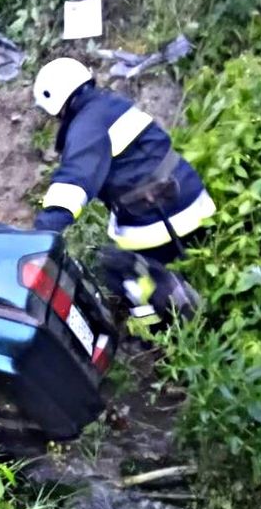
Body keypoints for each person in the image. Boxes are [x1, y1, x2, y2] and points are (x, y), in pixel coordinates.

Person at [32, 56, 215, 328]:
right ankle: (179, 293)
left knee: (113, 266)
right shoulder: (110, 105)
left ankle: (163, 322)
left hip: (163, 215)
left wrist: (41, 235)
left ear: (55, 102)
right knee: (116, 234)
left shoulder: (87, 126)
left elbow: (73, 184)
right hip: (190, 197)